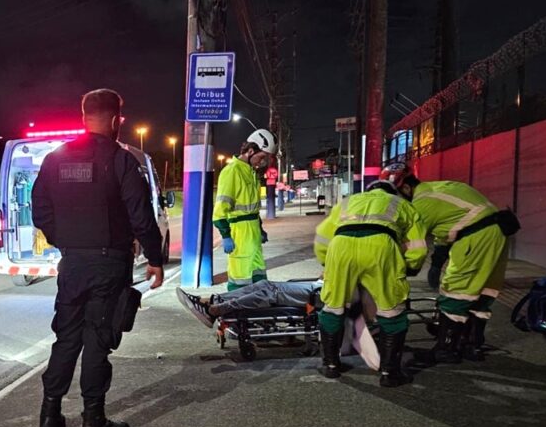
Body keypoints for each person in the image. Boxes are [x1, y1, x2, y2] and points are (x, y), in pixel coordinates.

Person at [31, 88, 164, 427]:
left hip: (72, 263)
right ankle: (94, 422)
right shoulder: (120, 160)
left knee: (66, 338)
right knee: (97, 340)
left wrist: (68, 241)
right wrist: (155, 259)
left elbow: (39, 210)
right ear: (116, 119)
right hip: (109, 263)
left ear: (83, 115)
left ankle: (49, 415)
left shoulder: (55, 159)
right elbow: (141, 215)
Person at [380, 163, 515, 363]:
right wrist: (437, 263)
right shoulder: (444, 187)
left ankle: (446, 349)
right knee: (483, 291)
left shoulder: (422, 204)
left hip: (474, 238)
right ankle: (472, 345)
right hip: (498, 232)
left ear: (406, 188)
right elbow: (444, 230)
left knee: (455, 291)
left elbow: (407, 240)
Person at [314, 179, 428, 387]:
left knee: (333, 307)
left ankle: (330, 365)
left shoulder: (348, 202)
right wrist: (410, 266)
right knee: (391, 310)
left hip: (341, 247)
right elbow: (417, 245)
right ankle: (389, 372)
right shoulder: (401, 204)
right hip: (381, 246)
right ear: (392, 192)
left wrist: (327, 262)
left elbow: (322, 236)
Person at [213, 129, 277, 291]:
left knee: (258, 274)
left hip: (253, 233)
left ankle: (257, 307)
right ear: (250, 151)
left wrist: (260, 228)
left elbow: (253, 208)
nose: (262, 162)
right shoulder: (232, 171)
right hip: (239, 234)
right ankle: (234, 309)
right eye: (261, 157)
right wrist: (226, 236)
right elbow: (220, 211)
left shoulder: (252, 173)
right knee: (240, 279)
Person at [176, 280, 322, 328]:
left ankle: (215, 310)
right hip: (320, 286)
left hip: (322, 292)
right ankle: (212, 301)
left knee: (271, 290)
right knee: (264, 285)